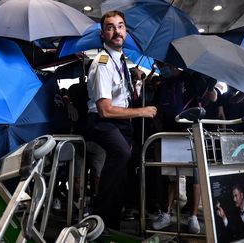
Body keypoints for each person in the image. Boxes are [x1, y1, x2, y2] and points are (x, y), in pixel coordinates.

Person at [85, 10, 157, 230]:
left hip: (121, 123)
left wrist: (136, 80)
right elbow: (105, 110)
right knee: (121, 153)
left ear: (125, 30)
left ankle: (113, 223)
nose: (116, 31)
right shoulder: (103, 63)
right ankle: (99, 218)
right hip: (102, 121)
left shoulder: (121, 61)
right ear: (102, 34)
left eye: (120, 26)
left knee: (127, 166)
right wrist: (142, 111)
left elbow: (122, 97)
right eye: (110, 27)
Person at [150, 62, 217, 234]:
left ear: (173, 64)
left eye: (162, 64)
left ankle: (193, 216)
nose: (160, 67)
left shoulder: (193, 80)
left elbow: (211, 98)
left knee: (194, 178)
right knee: (171, 177)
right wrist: (160, 130)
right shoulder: (164, 85)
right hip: (169, 134)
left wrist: (210, 88)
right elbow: (156, 110)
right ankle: (166, 214)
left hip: (191, 133)